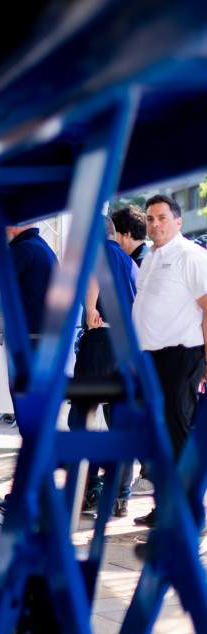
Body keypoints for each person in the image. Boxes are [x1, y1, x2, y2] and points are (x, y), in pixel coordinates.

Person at [131, 194, 207, 528]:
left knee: (177, 436)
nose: (155, 224)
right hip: (151, 360)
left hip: (182, 357)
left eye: (162, 217)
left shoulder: (192, 256)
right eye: (150, 218)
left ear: (178, 221)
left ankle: (187, 516)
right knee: (156, 437)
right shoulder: (150, 258)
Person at [68, 216, 138, 518]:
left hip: (101, 338)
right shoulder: (129, 261)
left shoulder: (101, 253)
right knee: (118, 419)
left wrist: (91, 307)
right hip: (126, 345)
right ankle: (119, 496)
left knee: (81, 416)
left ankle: (90, 489)